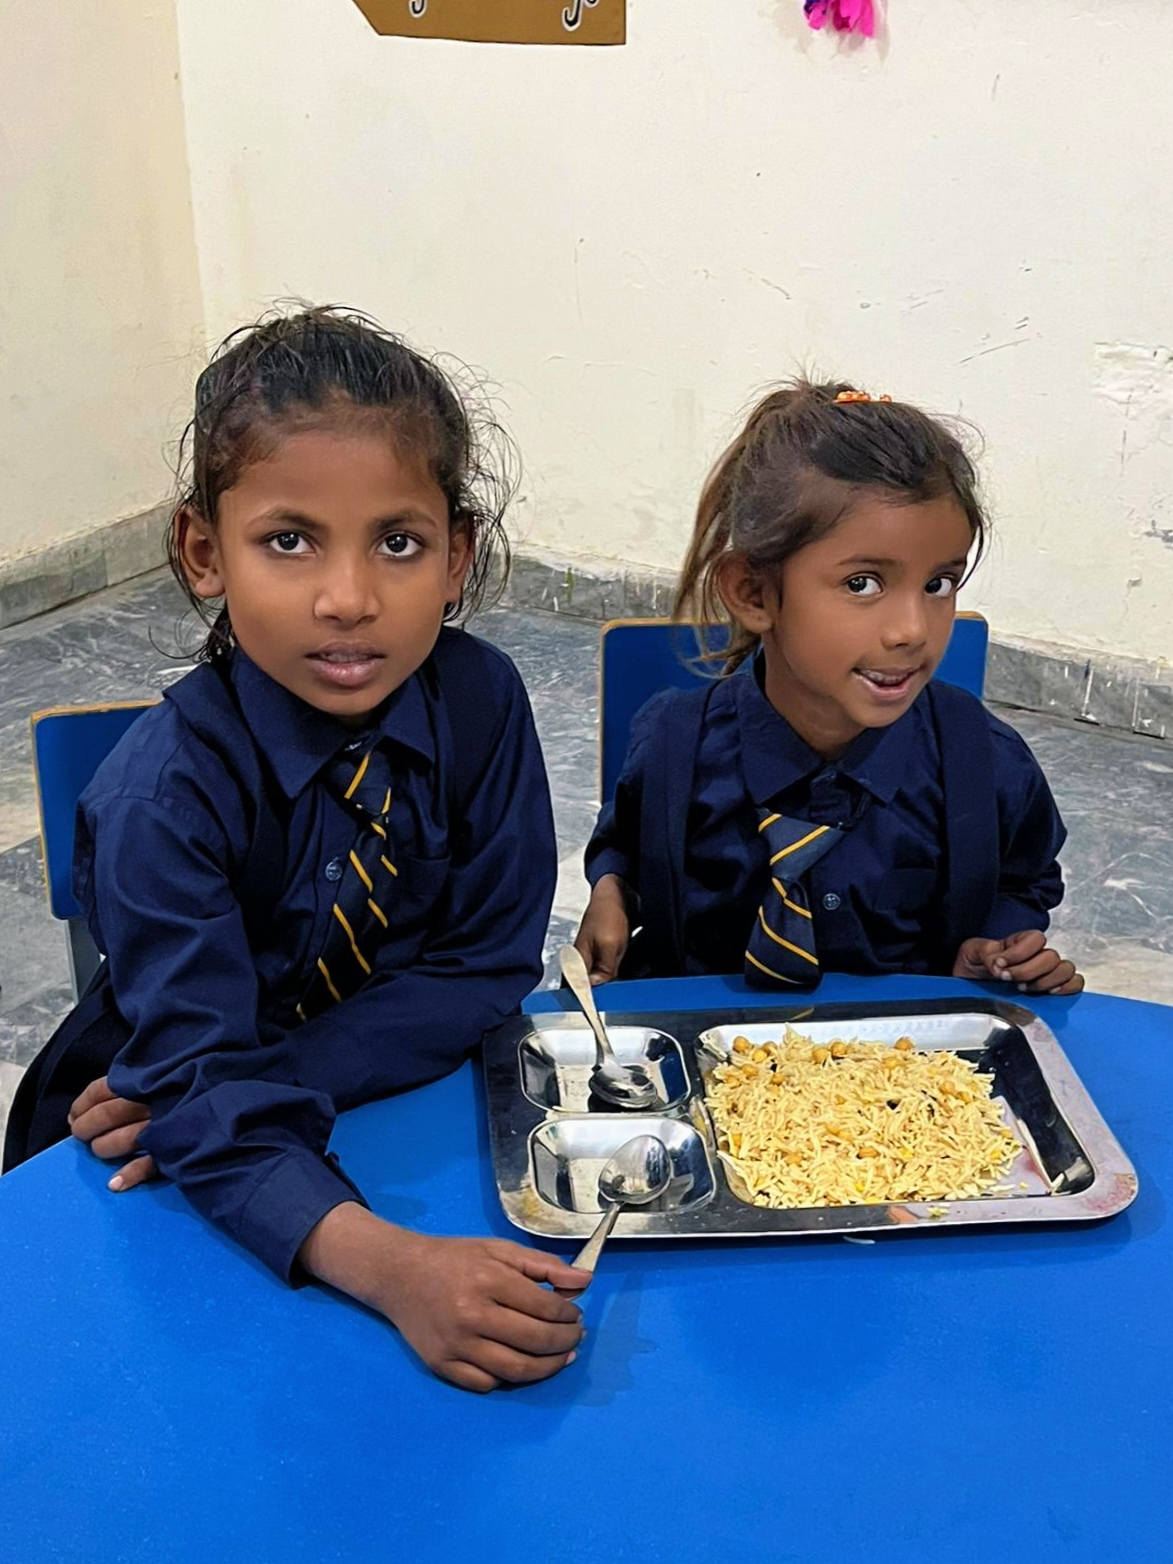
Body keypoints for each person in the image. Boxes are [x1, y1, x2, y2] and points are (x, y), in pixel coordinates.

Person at [4, 306, 588, 1391]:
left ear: (456, 556)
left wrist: (262, 1083)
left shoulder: (481, 704)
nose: (348, 599)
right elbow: (192, 1082)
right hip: (143, 1148)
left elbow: (487, 962)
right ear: (203, 551)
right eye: (289, 539)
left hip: (310, 1107)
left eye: (398, 543)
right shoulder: (162, 797)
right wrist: (394, 1268)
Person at [576, 381, 1084, 997]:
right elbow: (626, 848)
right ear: (754, 593)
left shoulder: (989, 764)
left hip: (902, 1072)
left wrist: (998, 947)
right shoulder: (673, 744)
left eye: (939, 584)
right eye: (863, 583)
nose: (912, 630)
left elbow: (1023, 879)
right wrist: (612, 894)